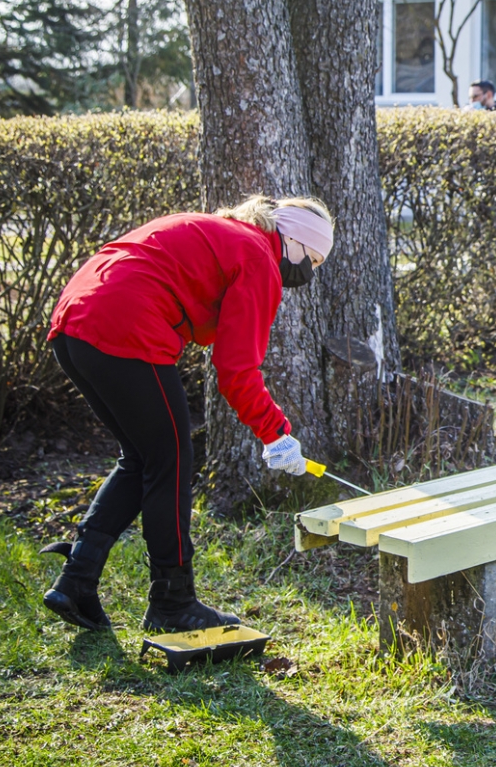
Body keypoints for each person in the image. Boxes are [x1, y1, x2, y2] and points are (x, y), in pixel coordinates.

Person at [41, 195, 332, 633]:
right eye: (312, 259)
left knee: (143, 458)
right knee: (172, 461)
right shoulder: (260, 257)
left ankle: (76, 582)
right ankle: (173, 602)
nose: (308, 272)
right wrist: (276, 433)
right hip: (125, 324)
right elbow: (236, 370)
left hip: (74, 322)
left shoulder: (224, 234)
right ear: (291, 239)